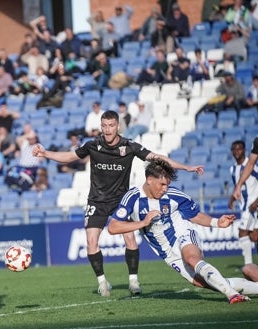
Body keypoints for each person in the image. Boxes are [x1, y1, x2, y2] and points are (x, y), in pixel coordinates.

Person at [32, 110, 203, 297]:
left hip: (122, 200)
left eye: (111, 125)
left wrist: (185, 167)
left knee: (129, 238)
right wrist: (45, 153)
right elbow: (70, 157)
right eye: (104, 126)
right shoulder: (93, 145)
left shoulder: (129, 146)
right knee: (91, 242)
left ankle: (133, 281)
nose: (107, 130)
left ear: (118, 126)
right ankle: (102, 282)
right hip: (96, 201)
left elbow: (157, 158)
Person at [107, 159, 257, 303]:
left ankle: (232, 295)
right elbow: (113, 227)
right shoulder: (132, 197)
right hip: (167, 253)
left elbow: (195, 216)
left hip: (182, 234)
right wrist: (143, 222)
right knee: (206, 282)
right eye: (162, 184)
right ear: (149, 179)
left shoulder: (173, 195)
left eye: (167, 185)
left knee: (192, 259)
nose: (165, 188)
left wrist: (217, 222)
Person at [228, 140, 258, 265]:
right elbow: (238, 187)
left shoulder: (252, 166)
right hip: (245, 206)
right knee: (254, 236)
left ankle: (248, 265)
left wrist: (256, 201)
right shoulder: (233, 169)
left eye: (239, 149)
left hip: (252, 205)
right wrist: (232, 199)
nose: (237, 152)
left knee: (242, 232)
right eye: (234, 149)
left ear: (245, 150)